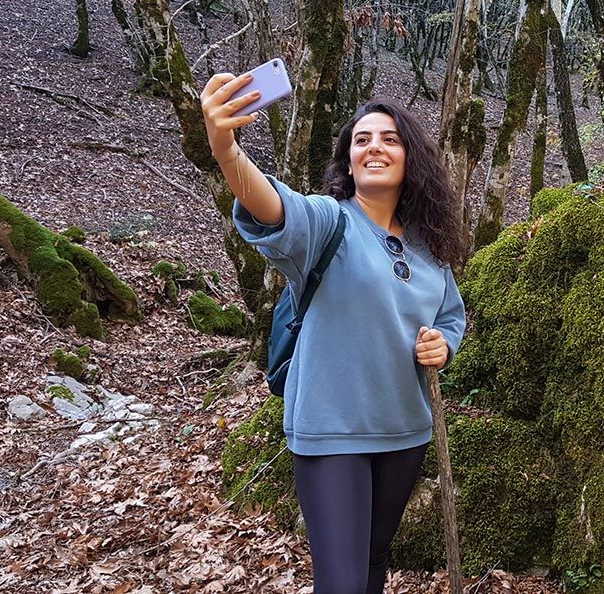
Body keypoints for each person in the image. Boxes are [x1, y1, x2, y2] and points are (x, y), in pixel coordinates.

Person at [199, 73, 467, 594]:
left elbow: (451, 316)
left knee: (372, 566)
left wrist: (444, 344)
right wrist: (226, 149)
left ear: (410, 158)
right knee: (342, 581)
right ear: (348, 161)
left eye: (390, 139)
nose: (375, 147)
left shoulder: (428, 246)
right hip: (331, 432)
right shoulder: (328, 222)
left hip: (405, 430)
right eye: (362, 139)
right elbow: (273, 206)